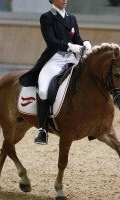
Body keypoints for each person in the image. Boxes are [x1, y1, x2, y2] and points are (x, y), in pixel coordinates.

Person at [19, 0, 91, 145]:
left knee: (89, 83)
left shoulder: (72, 18)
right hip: (54, 59)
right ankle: (42, 130)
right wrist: (70, 46)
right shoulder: (47, 17)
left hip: (71, 59)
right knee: (44, 91)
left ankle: (92, 125)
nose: (65, 0)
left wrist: (84, 43)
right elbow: (51, 41)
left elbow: (77, 38)